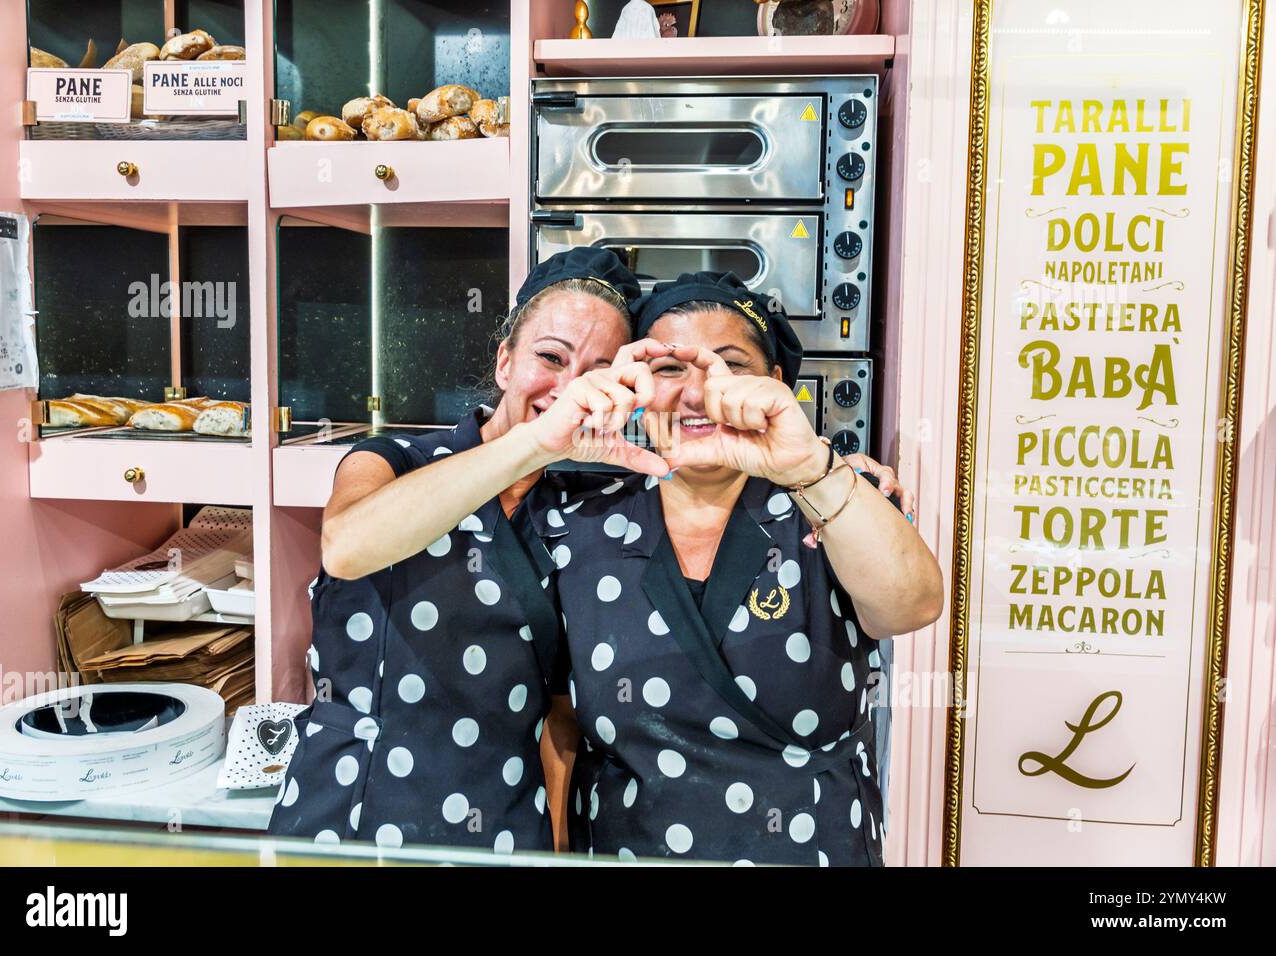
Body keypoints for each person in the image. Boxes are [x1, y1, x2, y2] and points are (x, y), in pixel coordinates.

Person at [267, 248, 668, 853]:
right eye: (550, 357)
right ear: (505, 361)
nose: (567, 389)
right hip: (343, 818)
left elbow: (564, 712)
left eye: (596, 373)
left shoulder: (586, 509)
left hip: (498, 832)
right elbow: (347, 546)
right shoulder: (393, 460)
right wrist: (534, 442)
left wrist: (836, 481)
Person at [536, 272, 944, 865]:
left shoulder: (829, 502)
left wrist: (813, 468)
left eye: (731, 365)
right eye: (671, 369)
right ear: (636, 387)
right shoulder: (581, 528)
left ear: (776, 384)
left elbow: (914, 605)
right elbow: (562, 721)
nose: (700, 394)